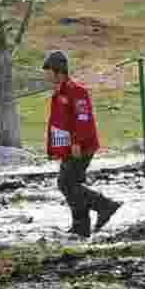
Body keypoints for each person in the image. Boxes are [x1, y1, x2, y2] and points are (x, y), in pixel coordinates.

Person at [42, 50, 122, 237]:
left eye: (47, 70)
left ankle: (105, 205)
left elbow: (82, 118)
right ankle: (81, 227)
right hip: (68, 147)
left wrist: (77, 142)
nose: (45, 75)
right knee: (72, 184)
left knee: (66, 183)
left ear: (57, 71)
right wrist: (55, 149)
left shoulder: (76, 91)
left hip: (81, 146)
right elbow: (60, 122)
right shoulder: (60, 92)